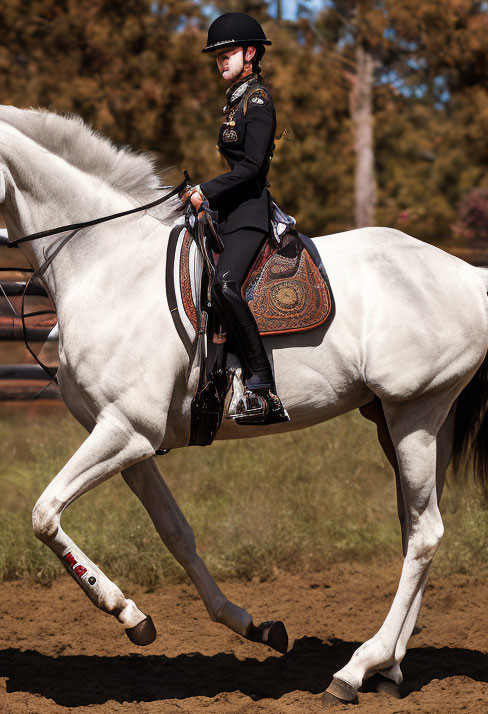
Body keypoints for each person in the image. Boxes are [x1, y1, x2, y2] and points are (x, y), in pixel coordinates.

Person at [182, 12, 289, 425]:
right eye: (217, 56)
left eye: (227, 54)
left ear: (250, 53)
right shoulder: (236, 99)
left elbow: (252, 169)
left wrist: (206, 190)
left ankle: (263, 387)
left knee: (226, 285)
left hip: (249, 214)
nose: (220, 62)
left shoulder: (258, 101)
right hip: (227, 214)